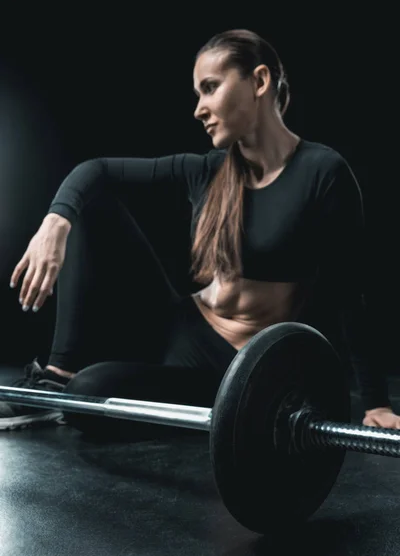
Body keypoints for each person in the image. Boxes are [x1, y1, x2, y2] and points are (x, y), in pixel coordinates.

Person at [2, 28, 399, 432]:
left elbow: (351, 292)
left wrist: (376, 403)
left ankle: (74, 393)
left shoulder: (322, 173)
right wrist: (55, 223)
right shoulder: (208, 170)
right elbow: (97, 170)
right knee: (90, 204)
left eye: (210, 88)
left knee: (89, 395)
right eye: (198, 93)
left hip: (231, 365)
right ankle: (56, 375)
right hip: (177, 324)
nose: (199, 109)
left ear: (259, 81)